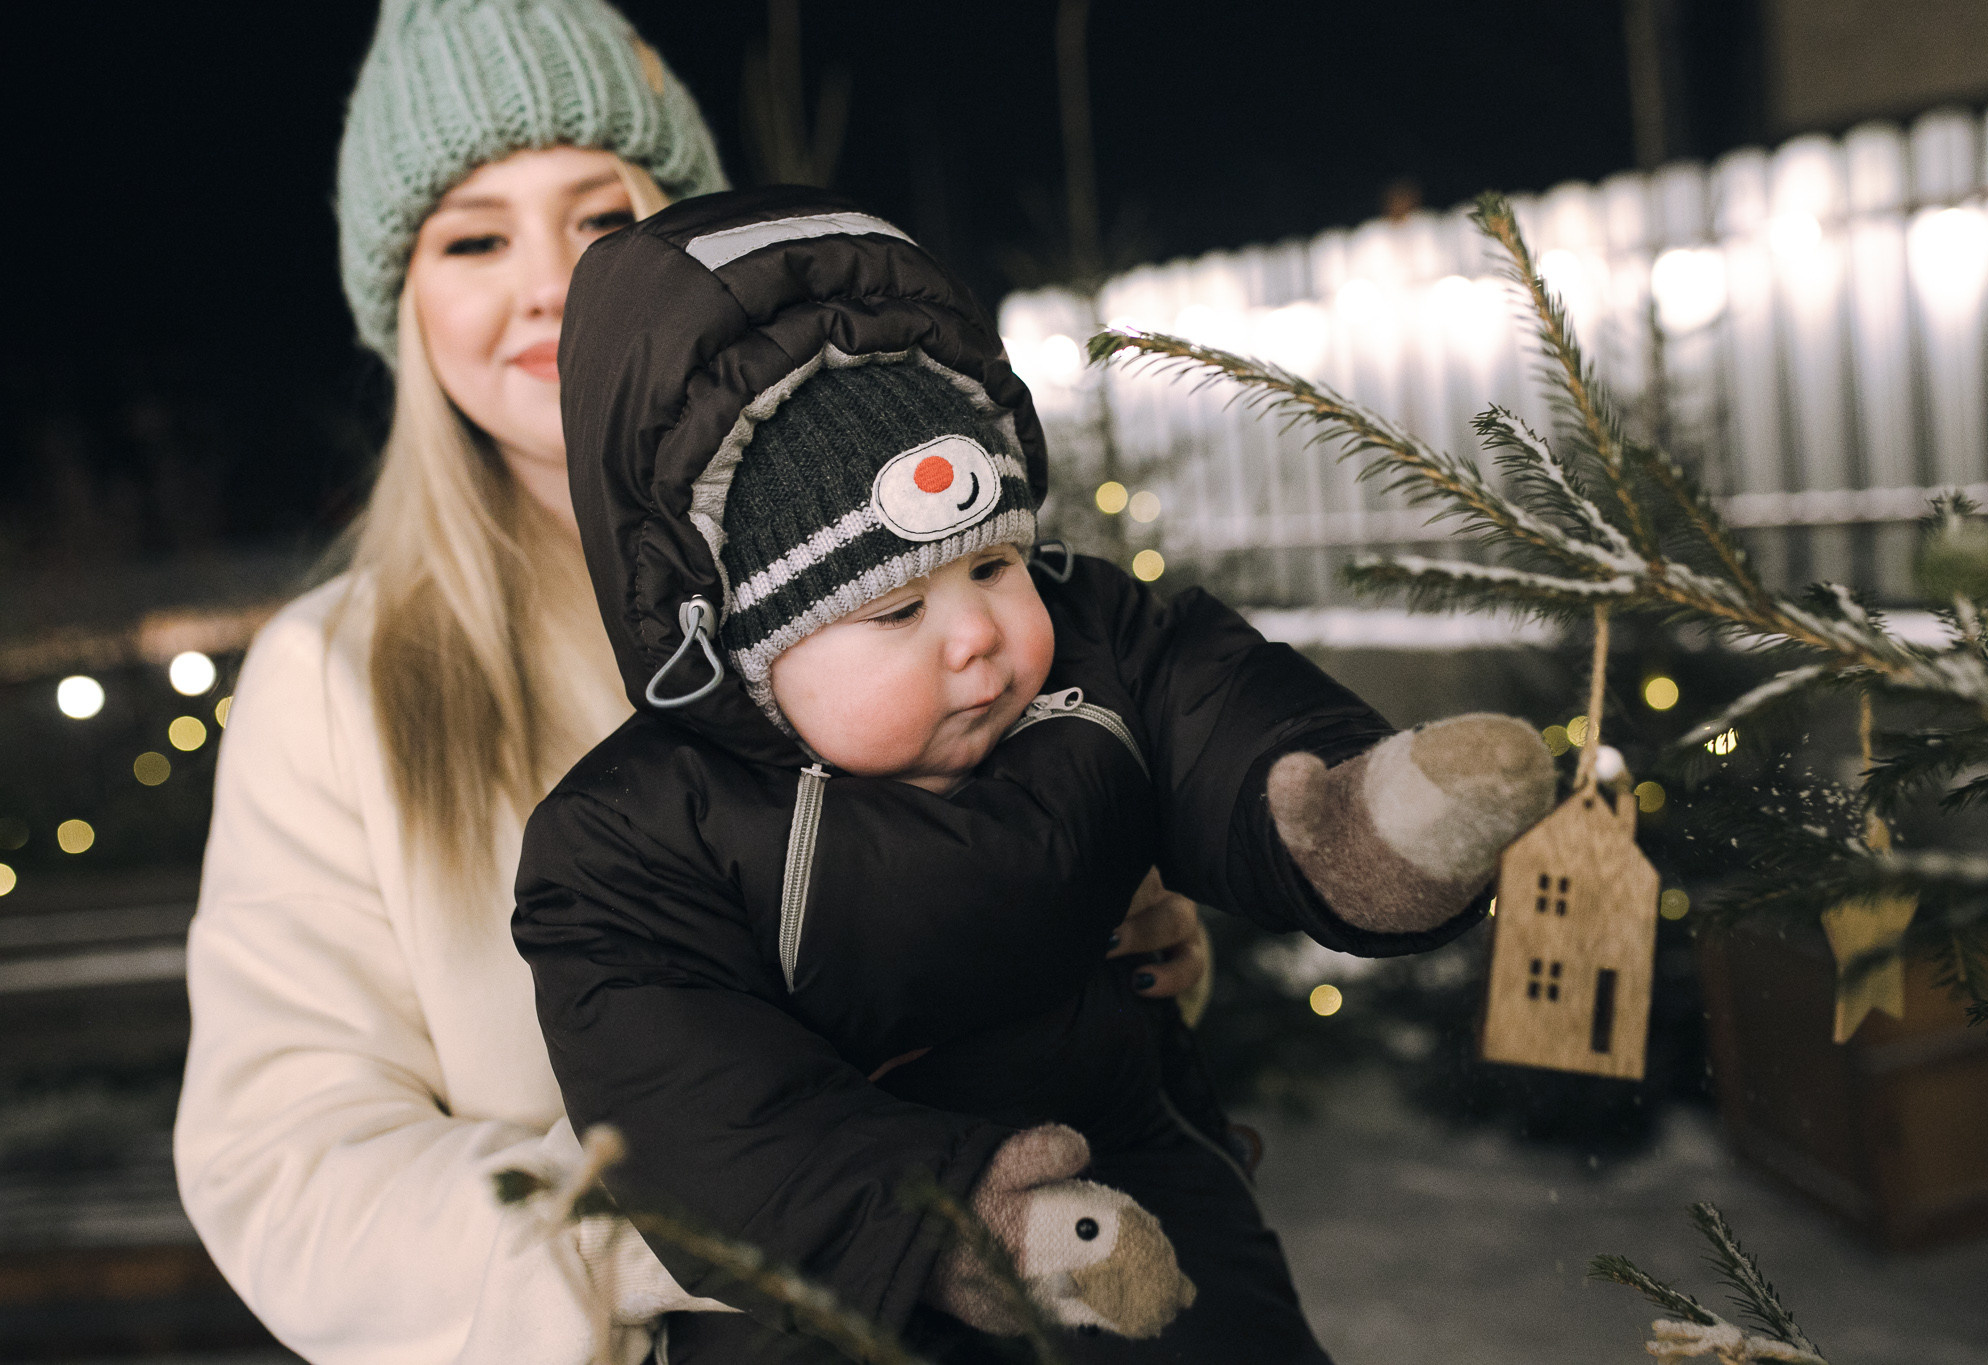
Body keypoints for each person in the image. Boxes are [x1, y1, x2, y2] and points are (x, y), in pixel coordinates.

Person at [170, 3, 1210, 1363]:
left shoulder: (924, 563)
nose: (549, 284)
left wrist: (1132, 948)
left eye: (602, 218)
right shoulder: (339, 675)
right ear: (403, 300)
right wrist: (684, 1231)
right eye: (474, 237)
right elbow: (290, 1167)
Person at [511, 189, 1559, 1363]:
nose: (977, 636)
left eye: (994, 566)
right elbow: (708, 1117)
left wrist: (1346, 820)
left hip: (1143, 1173)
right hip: (881, 1279)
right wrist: (964, 1227)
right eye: (898, 608)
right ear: (745, 656)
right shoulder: (639, 839)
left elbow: (1213, 712)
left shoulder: (1090, 644)